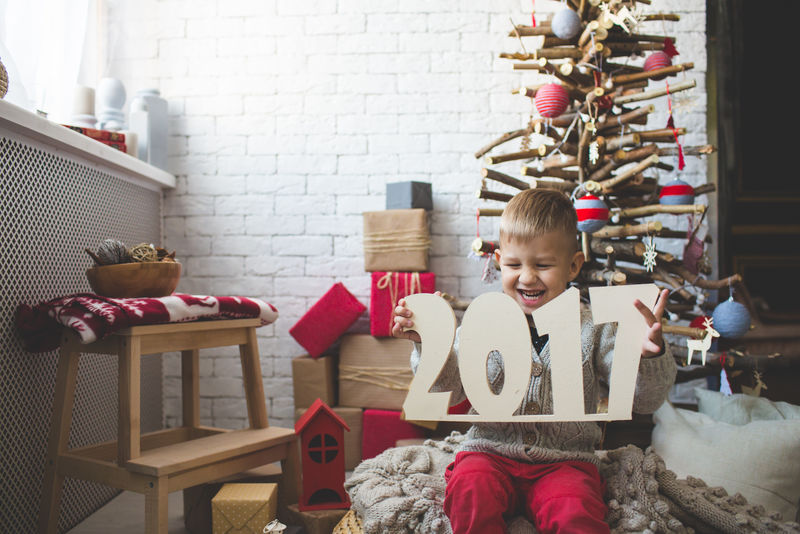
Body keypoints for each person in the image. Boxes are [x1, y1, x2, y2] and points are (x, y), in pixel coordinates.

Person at [392, 188, 677, 534]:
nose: (527, 277)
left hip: (565, 460)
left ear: (573, 265)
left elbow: (644, 398)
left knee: (576, 513)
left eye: (543, 265)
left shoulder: (595, 328)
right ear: (499, 261)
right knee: (470, 490)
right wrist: (429, 345)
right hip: (490, 450)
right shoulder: (485, 320)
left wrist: (647, 355)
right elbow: (448, 390)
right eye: (514, 265)